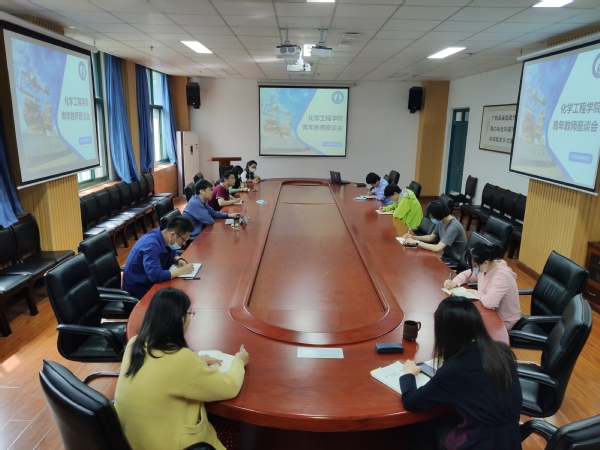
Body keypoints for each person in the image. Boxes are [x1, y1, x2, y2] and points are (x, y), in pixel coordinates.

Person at [115, 287, 250, 450]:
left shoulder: (134, 343)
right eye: (190, 313)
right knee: (233, 426)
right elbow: (229, 387)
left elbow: (165, 371)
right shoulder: (181, 359)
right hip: (169, 445)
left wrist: (197, 361)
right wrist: (238, 361)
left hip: (132, 442)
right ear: (180, 319)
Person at [401, 296, 522, 450]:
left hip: (479, 443)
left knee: (422, 424)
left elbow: (411, 401)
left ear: (445, 332)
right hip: (511, 441)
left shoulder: (455, 369)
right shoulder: (501, 351)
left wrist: (408, 374)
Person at [444, 242, 520, 330]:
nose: (473, 269)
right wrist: (454, 282)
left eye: (474, 266)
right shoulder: (485, 267)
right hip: (487, 312)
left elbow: (490, 303)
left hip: (503, 323)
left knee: (462, 327)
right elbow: (467, 274)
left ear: (485, 263)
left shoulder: (501, 277)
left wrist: (476, 293)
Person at [122, 217, 195, 299]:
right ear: (172, 235)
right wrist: (182, 271)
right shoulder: (150, 245)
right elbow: (155, 276)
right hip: (139, 292)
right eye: (184, 240)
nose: (184, 243)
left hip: (152, 285)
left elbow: (172, 251)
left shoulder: (164, 236)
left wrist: (178, 260)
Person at [402, 201, 466, 264]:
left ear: (439, 215)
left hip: (453, 261)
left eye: (432, 217)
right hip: (445, 256)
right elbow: (431, 237)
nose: (432, 219)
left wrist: (416, 242)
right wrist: (414, 238)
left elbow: (437, 248)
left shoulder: (453, 227)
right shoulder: (441, 221)